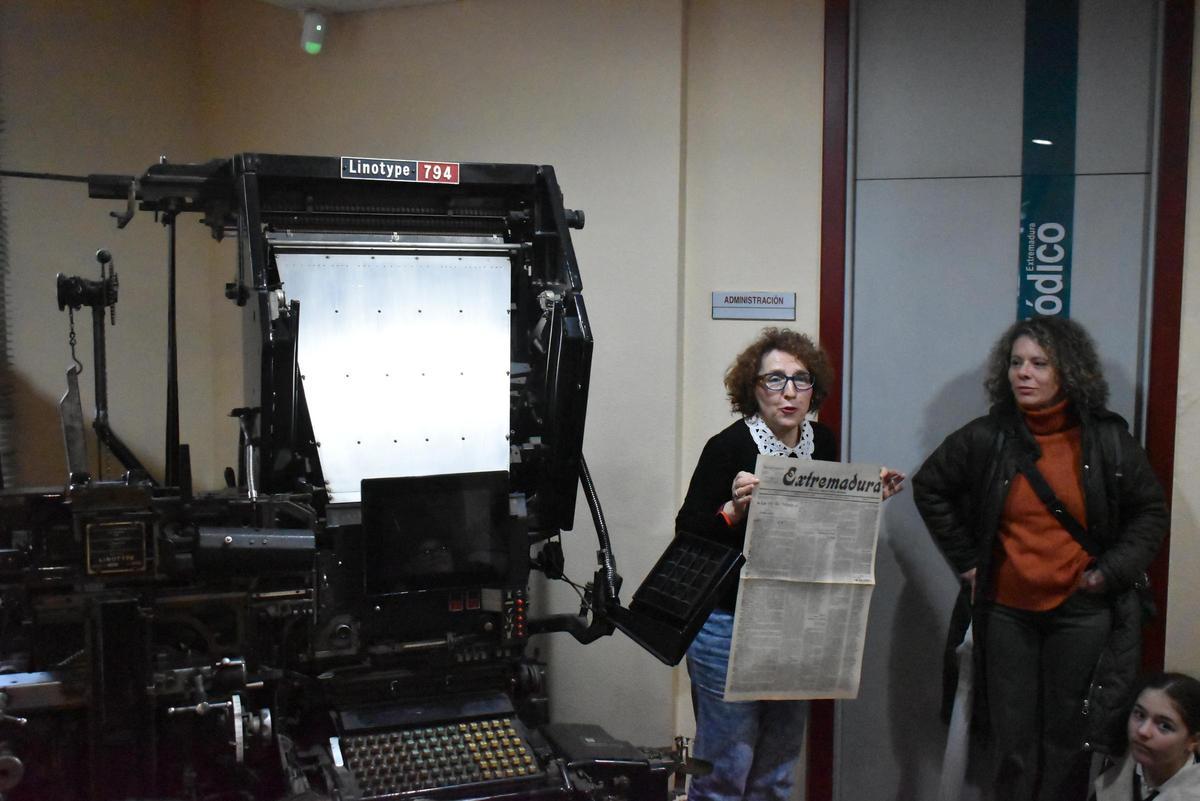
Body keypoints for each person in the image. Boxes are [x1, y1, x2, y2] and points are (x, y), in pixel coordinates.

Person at [912, 316, 1169, 801]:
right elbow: (930, 487)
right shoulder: (988, 437)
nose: (1023, 374)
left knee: (1070, 741)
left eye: (1038, 363)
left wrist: (1108, 573)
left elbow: (1149, 514)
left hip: (1082, 613)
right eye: (1015, 363)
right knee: (1012, 742)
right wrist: (967, 561)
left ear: (1067, 371)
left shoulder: (1107, 440)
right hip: (1006, 612)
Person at [677, 327, 904, 801]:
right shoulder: (728, 446)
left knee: (776, 775)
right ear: (752, 388)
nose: (788, 393)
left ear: (813, 389)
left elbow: (822, 526)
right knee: (725, 774)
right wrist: (733, 510)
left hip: (795, 622)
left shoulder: (822, 441)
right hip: (728, 624)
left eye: (800, 380)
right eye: (774, 380)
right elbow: (689, 534)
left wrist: (866, 496)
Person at [1093, 672, 1200, 800]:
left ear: (1193, 741)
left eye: (1165, 726)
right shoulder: (1110, 760)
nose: (1143, 731)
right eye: (1139, 714)